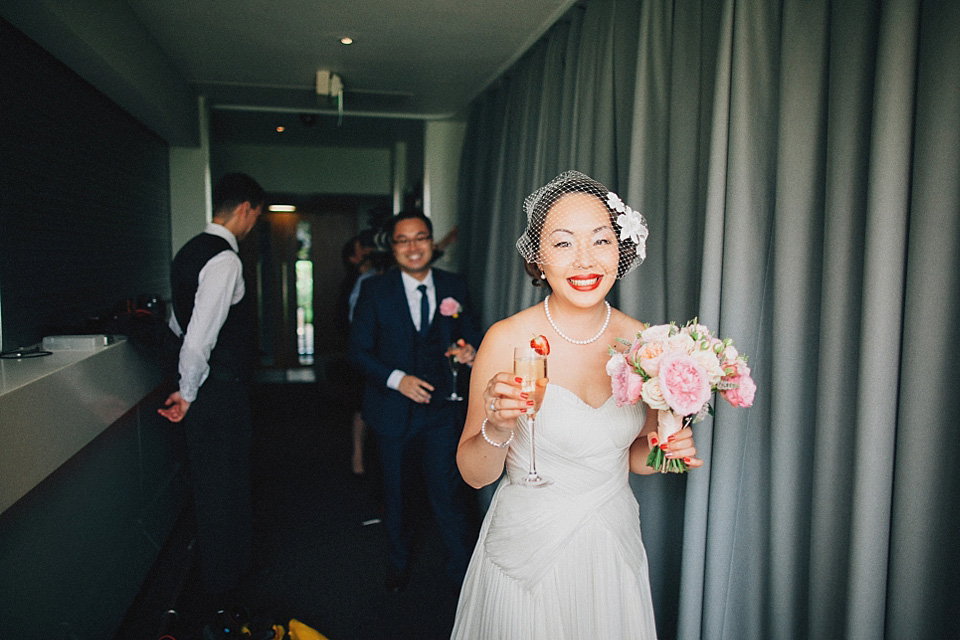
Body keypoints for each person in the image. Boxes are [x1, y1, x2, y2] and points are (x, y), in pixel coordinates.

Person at [451, 171, 702, 638]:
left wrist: (665, 450)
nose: (585, 260)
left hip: (611, 540)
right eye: (563, 243)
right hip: (527, 551)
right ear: (539, 259)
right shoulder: (506, 339)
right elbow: (473, 473)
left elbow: (634, 457)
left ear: (621, 251)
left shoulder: (647, 343)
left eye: (601, 240)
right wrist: (499, 426)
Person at [348, 209, 484, 592]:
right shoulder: (375, 290)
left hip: (443, 410)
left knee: (448, 493)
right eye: (403, 240)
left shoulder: (454, 285)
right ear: (392, 248)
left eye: (420, 237)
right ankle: (398, 563)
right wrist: (398, 379)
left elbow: (471, 334)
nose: (413, 247)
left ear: (431, 241)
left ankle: (462, 574)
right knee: (397, 494)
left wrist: (470, 352)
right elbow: (357, 353)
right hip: (393, 413)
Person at [158, 172, 264, 600]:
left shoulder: (187, 251)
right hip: (218, 391)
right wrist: (188, 392)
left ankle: (221, 577)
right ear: (245, 210)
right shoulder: (224, 259)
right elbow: (199, 337)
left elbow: (176, 323)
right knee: (226, 486)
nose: (253, 223)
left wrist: (187, 388)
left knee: (212, 484)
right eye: (256, 215)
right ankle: (225, 587)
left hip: (206, 390)